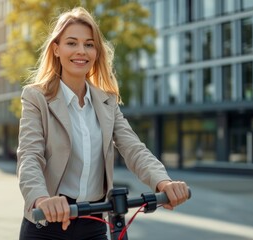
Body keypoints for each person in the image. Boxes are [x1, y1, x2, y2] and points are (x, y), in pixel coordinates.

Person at [17, 7, 189, 239]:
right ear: (56, 49)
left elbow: (133, 148)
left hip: (95, 221)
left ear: (96, 51)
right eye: (72, 43)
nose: (81, 51)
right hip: (48, 222)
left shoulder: (106, 101)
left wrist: (163, 182)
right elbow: (30, 155)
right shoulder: (36, 97)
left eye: (89, 44)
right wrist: (41, 199)